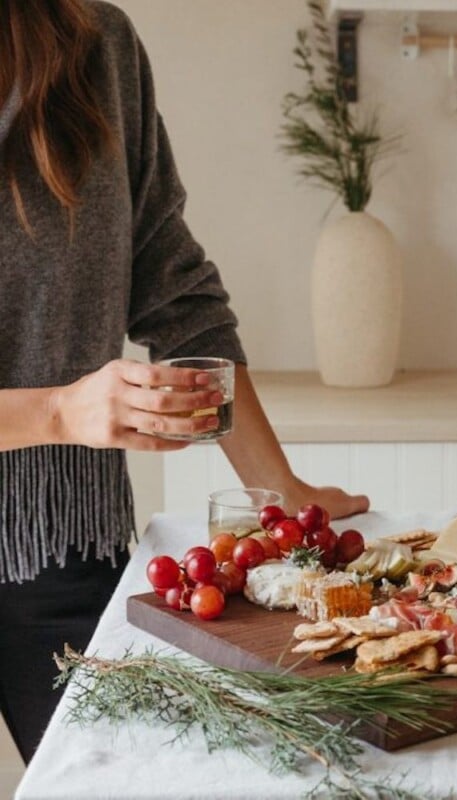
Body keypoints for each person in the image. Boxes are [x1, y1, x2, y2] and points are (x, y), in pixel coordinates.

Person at [0, 0, 369, 764]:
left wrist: (280, 495)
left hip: (64, 546)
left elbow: (176, 289)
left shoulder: (98, 46)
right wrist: (61, 411)